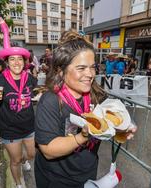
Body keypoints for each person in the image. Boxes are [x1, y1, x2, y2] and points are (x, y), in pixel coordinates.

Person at [34, 31, 136, 188]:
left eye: (92, 67)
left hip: (87, 172)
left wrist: (122, 129)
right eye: (81, 68)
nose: (90, 74)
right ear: (61, 70)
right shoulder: (51, 101)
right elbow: (48, 149)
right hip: (56, 180)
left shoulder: (96, 95)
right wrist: (82, 137)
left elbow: (108, 122)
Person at [0, 17, 36, 188]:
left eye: (19, 59)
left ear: (24, 62)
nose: (17, 62)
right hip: (9, 130)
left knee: (32, 154)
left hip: (30, 126)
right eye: (12, 59)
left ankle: (25, 161)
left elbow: (34, 97)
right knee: (15, 159)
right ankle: (19, 184)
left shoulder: (31, 79)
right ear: (6, 62)